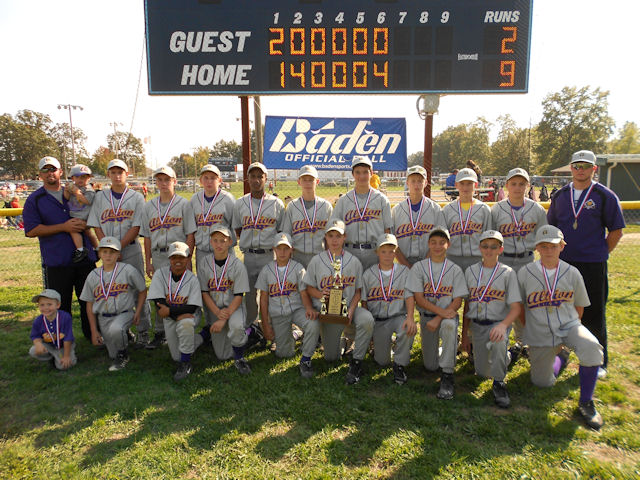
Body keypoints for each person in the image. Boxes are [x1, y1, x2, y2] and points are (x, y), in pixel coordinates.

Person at [547, 150, 625, 379]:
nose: (580, 170)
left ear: (594, 169)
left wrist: (600, 252)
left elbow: (616, 231)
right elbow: (552, 230)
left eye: (585, 166)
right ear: (571, 168)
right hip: (564, 263)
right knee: (561, 309)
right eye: (576, 166)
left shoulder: (604, 195)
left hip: (592, 264)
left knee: (593, 311)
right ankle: (561, 353)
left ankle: (597, 360)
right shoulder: (561, 195)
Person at [518, 226, 604, 430]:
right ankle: (562, 356)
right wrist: (529, 330)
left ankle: (586, 402)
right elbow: (519, 306)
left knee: (592, 347)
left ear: (562, 247)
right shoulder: (525, 272)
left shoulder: (572, 272)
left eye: (554, 246)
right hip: (540, 329)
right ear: (537, 247)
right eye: (544, 246)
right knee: (542, 382)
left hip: (569, 324)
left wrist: (573, 330)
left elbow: (580, 306)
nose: (549, 250)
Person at [23, 156, 97, 340]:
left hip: (84, 258)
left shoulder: (74, 191)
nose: (50, 173)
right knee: (59, 304)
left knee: (89, 300)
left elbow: (92, 214)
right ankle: (62, 342)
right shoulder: (35, 199)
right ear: (40, 174)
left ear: (60, 172)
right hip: (57, 260)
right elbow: (31, 230)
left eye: (53, 169)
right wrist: (63, 227)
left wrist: (85, 225)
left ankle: (95, 337)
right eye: (46, 170)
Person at [302, 219, 375, 384]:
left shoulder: (353, 261)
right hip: (328, 311)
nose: (334, 240)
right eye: (331, 236)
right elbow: (308, 288)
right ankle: (343, 341)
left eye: (338, 236)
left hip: (350, 307)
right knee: (331, 358)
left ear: (344, 238)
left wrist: (350, 310)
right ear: (325, 238)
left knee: (367, 320)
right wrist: (321, 294)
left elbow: (358, 291)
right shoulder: (317, 260)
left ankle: (357, 361)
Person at [87, 159, 150, 347]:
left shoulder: (136, 197)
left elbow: (137, 225)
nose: (117, 175)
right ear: (108, 175)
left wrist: (118, 248)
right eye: (113, 172)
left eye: (120, 172)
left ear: (127, 173)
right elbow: (96, 224)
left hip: (130, 248)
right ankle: (124, 329)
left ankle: (144, 331)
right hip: (108, 253)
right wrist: (108, 249)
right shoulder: (100, 197)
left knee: (138, 289)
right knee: (115, 290)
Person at [491, 168, 548, 362]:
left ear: (528, 186)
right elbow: (490, 240)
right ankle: (503, 343)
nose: (517, 187)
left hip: (527, 260)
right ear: (506, 185)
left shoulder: (537, 209)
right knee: (504, 303)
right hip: (504, 260)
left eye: (521, 184)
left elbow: (543, 238)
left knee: (527, 304)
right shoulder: (497, 209)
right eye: (513, 183)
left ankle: (525, 342)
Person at [461, 230, 521, 408]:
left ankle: (499, 383)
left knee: (498, 340)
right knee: (482, 372)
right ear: (480, 248)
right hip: (478, 326)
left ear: (500, 249)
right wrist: (464, 335)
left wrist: (503, 326)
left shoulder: (507, 273)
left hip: (497, 324)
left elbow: (516, 308)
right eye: (485, 246)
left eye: (494, 247)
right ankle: (509, 355)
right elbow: (467, 305)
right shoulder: (471, 271)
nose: (489, 250)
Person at [406, 227, 467, 400]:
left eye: (442, 242)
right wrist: (438, 314)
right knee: (430, 366)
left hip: (446, 317)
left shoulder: (454, 269)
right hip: (427, 318)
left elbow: (457, 301)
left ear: (448, 244)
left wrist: (440, 317)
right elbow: (419, 298)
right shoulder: (419, 267)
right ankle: (448, 347)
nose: (437, 246)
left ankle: (448, 374)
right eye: (433, 242)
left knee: (448, 326)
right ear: (428, 244)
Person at [141, 165, 197, 349]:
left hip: (179, 255)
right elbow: (147, 237)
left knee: (180, 292)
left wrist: (188, 258)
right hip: (158, 254)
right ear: (156, 182)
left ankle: (184, 326)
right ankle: (159, 331)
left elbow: (190, 234)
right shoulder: (149, 205)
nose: (163, 183)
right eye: (160, 179)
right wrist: (148, 261)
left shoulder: (184, 204)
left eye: (167, 179)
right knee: (159, 292)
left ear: (174, 181)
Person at [256, 232, 320, 378]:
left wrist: (309, 308)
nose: (283, 252)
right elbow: (263, 299)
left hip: (297, 309)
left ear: (292, 250)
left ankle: (306, 359)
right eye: (279, 248)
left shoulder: (298, 268)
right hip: (278, 314)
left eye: (286, 248)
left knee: (313, 323)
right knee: (285, 354)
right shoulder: (267, 270)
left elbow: (304, 293)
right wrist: (265, 325)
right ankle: (296, 334)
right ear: (274, 249)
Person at [80, 236, 147, 371]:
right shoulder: (93, 275)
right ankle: (123, 338)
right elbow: (89, 304)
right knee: (112, 353)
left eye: (112, 252)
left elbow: (142, 290)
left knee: (116, 329)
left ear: (118, 254)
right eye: (104, 252)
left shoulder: (127, 270)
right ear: (99, 254)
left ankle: (123, 355)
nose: (108, 255)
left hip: (124, 313)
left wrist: (138, 311)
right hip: (103, 318)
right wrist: (94, 330)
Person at [233, 162, 285, 329]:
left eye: (260, 176)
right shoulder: (240, 203)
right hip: (248, 255)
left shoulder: (276, 204)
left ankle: (270, 325)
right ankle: (252, 327)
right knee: (249, 294)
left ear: (266, 179)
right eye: (253, 176)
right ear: (247, 179)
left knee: (271, 292)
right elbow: (238, 228)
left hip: (269, 255)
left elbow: (281, 231)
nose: (256, 180)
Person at [361, 234, 416, 385]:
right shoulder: (368, 274)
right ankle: (383, 346)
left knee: (406, 328)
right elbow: (364, 302)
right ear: (377, 252)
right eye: (383, 251)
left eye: (391, 251)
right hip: (378, 321)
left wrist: (410, 317)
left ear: (396, 252)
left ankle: (400, 364)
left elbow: (409, 297)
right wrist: (369, 328)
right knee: (381, 361)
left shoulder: (404, 272)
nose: (387, 255)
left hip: (398, 316)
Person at [148, 242, 206, 381]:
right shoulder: (160, 274)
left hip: (190, 316)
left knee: (186, 324)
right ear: (169, 258)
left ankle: (185, 363)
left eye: (181, 257)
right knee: (176, 356)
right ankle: (204, 335)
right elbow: (158, 302)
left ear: (188, 259)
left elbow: (192, 308)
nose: (178, 261)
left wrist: (170, 311)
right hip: (170, 317)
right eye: (174, 257)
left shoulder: (192, 279)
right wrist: (175, 312)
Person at [198, 225, 252, 373]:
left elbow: (239, 296)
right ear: (210, 242)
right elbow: (204, 292)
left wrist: (223, 318)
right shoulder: (204, 263)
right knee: (222, 355)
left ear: (230, 242)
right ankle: (242, 334)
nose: (219, 244)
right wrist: (217, 313)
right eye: (215, 240)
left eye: (223, 240)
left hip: (234, 308)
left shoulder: (237, 265)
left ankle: (240, 357)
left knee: (235, 328)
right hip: (215, 310)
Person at [330, 155, 392, 271]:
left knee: (374, 288)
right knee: (351, 288)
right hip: (349, 251)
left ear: (371, 173)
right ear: (353, 174)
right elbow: (335, 230)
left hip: (375, 252)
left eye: (365, 172)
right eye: (358, 172)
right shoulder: (343, 200)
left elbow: (387, 231)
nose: (362, 176)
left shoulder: (382, 200)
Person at [391, 165, 444, 267]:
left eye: (420, 181)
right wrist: (406, 264)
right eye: (413, 181)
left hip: (428, 263)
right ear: (407, 182)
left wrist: (424, 264)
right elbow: (392, 242)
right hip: (402, 264)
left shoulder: (435, 209)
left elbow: (440, 240)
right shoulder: (397, 210)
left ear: (426, 183)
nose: (416, 184)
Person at [441, 168, 492, 272]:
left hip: (477, 259)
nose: (465, 187)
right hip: (452, 259)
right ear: (456, 185)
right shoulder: (447, 209)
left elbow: (488, 238)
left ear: (476, 185)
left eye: (469, 183)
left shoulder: (484, 209)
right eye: (462, 183)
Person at [282, 165, 333, 268]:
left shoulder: (326, 206)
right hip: (297, 257)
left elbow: (331, 236)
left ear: (317, 182)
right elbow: (286, 235)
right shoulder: (292, 206)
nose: (308, 183)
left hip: (320, 256)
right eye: (304, 180)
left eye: (311, 180)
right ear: (299, 182)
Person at [189, 164, 236, 268]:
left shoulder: (228, 199)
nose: (209, 181)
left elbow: (236, 226)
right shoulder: (194, 199)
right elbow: (191, 229)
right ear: (200, 180)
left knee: (225, 282)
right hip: (202, 251)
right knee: (204, 282)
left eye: (213, 178)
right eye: (206, 178)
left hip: (224, 251)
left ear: (220, 180)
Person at [28, 289, 77, 370]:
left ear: (57, 305)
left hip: (63, 346)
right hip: (49, 345)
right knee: (33, 350)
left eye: (49, 304)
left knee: (63, 366)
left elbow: (68, 337)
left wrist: (67, 356)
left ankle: (61, 355)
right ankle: (53, 356)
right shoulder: (38, 320)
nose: (46, 308)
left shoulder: (65, 317)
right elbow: (35, 335)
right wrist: (38, 344)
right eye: (42, 305)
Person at [64, 164, 98, 263]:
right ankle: (96, 248)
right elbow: (66, 198)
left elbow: (87, 201)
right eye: (77, 177)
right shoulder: (73, 188)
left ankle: (80, 249)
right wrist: (67, 190)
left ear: (88, 178)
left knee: (73, 230)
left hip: (83, 216)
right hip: (75, 213)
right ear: (73, 178)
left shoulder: (89, 190)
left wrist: (77, 193)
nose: (80, 180)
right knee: (88, 233)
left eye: (83, 177)